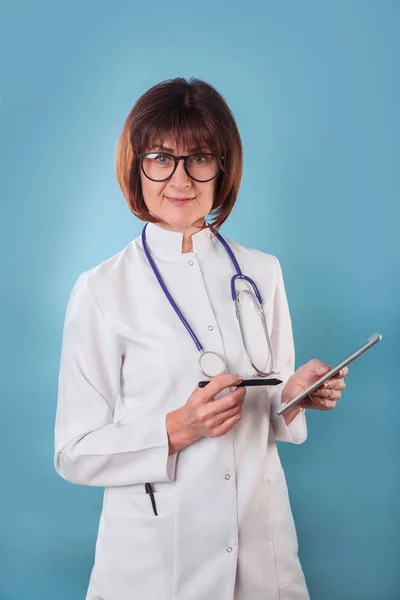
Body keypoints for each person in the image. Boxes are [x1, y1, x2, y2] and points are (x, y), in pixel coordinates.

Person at [54, 77, 348, 600]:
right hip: (154, 562)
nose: (180, 178)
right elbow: (74, 452)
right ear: (136, 167)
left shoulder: (263, 272)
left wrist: (296, 395)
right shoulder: (101, 290)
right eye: (161, 158)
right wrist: (174, 429)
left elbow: (270, 415)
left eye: (200, 157)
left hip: (263, 553)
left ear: (223, 167)